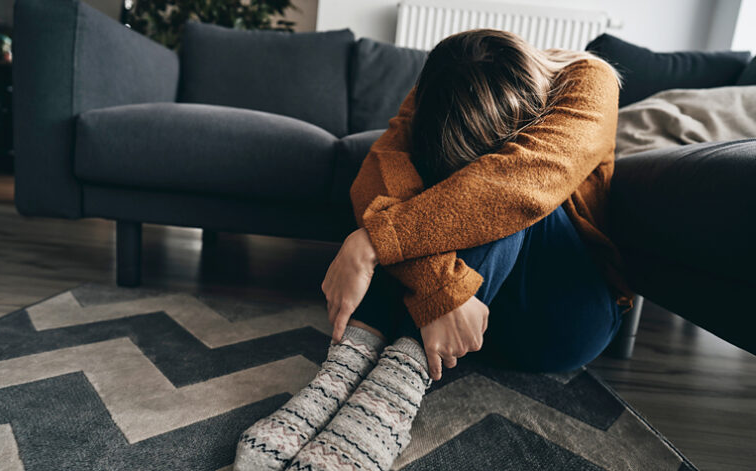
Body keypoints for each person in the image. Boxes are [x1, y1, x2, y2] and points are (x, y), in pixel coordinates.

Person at [233, 28, 633, 471]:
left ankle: (387, 405)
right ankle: (338, 379)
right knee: (403, 189)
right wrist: (438, 283)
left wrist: (371, 241)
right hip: (466, 315)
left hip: (563, 319)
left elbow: (518, 186)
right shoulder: (441, 80)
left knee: (498, 194)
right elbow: (379, 165)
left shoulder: (589, 80)